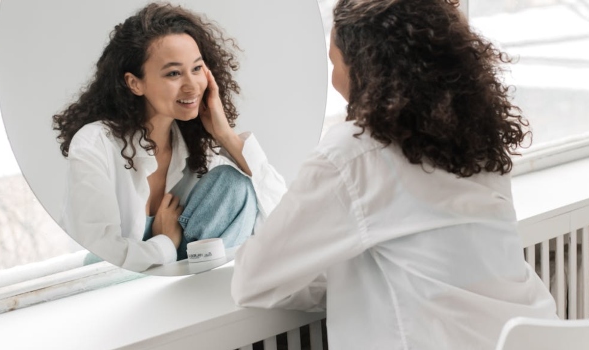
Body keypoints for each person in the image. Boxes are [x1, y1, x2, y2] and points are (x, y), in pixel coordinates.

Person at [231, 0, 557, 348]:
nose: (333, 78)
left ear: (364, 68)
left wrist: (343, 282)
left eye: (333, 61)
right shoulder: (475, 141)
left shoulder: (354, 153)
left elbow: (253, 279)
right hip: (541, 334)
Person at [52, 3, 286, 273]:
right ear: (134, 83)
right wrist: (164, 242)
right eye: (174, 73)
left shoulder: (197, 146)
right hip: (113, 293)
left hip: (188, 288)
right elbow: (101, 256)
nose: (191, 85)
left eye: (197, 69)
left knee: (235, 185)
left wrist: (225, 135)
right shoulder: (95, 144)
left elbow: (281, 218)